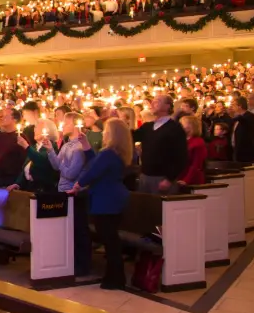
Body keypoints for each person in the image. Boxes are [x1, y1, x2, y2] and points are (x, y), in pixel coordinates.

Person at [69, 118, 132, 290]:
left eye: (106, 131)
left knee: (110, 240)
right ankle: (114, 276)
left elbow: (93, 171)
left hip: (106, 199)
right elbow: (96, 163)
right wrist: (87, 145)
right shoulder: (114, 154)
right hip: (113, 198)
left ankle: (116, 278)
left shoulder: (108, 154)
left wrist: (78, 185)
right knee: (111, 239)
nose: (103, 133)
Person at [46, 112, 92, 277]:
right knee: (69, 229)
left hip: (75, 192)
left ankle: (83, 265)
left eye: (65, 123)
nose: (62, 126)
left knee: (79, 229)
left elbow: (71, 173)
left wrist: (61, 168)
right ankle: (71, 262)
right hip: (63, 190)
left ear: (74, 125)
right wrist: (50, 150)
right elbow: (55, 165)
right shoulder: (66, 145)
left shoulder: (79, 147)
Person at [133, 95, 188, 194]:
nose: (152, 104)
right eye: (152, 101)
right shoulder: (147, 127)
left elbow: (181, 156)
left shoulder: (175, 128)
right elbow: (130, 136)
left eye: (157, 101)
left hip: (162, 179)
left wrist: (169, 179)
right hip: (145, 176)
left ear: (167, 106)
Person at [179, 115, 207, 185]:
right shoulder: (181, 140)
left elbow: (196, 164)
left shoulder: (198, 142)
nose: (179, 126)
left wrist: (186, 180)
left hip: (191, 180)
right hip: (179, 177)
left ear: (191, 126)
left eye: (182, 124)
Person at [230, 96, 254, 163]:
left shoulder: (250, 116)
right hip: (238, 150)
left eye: (234, 105)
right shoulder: (238, 117)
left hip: (246, 152)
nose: (232, 107)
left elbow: (244, 120)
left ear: (240, 106)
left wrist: (233, 116)